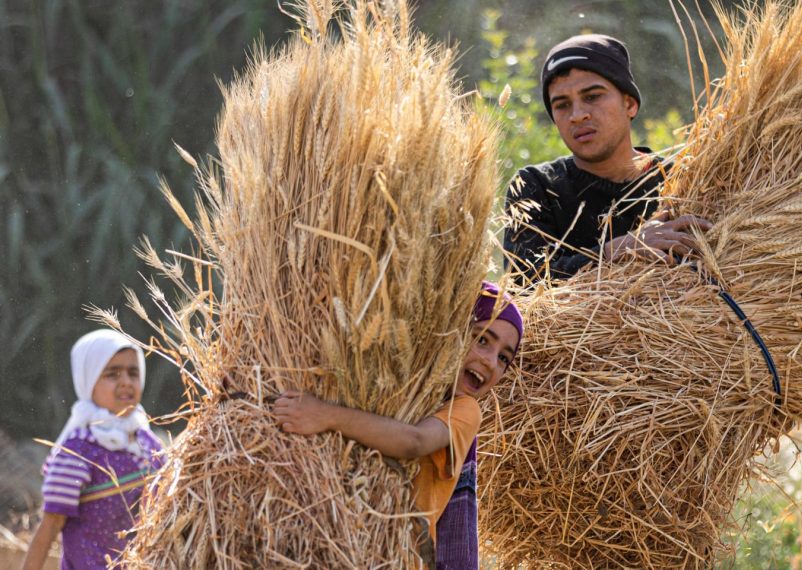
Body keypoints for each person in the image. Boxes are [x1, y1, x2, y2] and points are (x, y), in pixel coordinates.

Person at [271, 282, 524, 569]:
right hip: (337, 532)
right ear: (453, 332)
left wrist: (325, 415)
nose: (490, 362)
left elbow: (414, 442)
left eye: (504, 357)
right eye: (481, 340)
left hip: (399, 557)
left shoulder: (466, 411)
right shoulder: (399, 378)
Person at [503, 33, 712, 284]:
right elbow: (521, 286)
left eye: (592, 97)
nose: (577, 115)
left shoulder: (684, 179)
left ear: (629, 104)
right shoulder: (537, 187)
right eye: (562, 105)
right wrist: (616, 250)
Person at [22, 329, 165, 570]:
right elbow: (51, 524)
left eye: (133, 372)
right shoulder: (78, 451)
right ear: (88, 381)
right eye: (112, 374)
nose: (126, 382)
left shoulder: (149, 442)